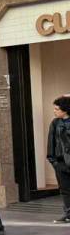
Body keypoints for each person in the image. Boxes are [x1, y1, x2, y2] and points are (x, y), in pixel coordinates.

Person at [46, 95, 70, 224]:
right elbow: (51, 143)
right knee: (65, 190)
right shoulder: (55, 123)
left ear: (65, 110)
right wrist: (53, 161)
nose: (54, 111)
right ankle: (68, 214)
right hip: (61, 163)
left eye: (57, 109)